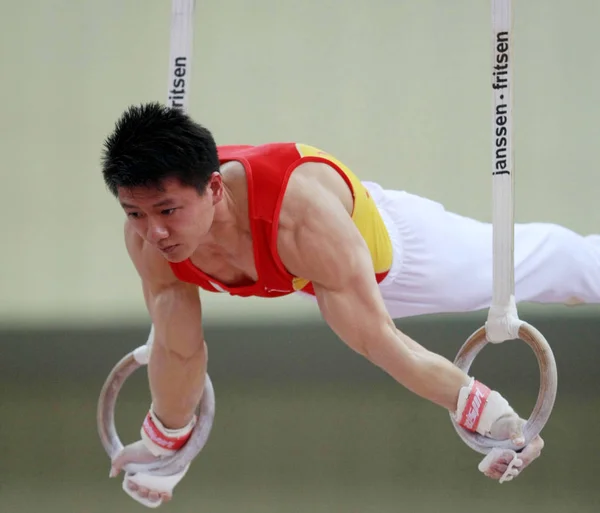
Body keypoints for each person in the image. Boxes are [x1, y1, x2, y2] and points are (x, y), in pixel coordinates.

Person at [101, 102, 600, 507]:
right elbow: (178, 348)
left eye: (167, 211)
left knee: (562, 269)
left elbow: (377, 341)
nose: (154, 232)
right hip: (336, 285)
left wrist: (499, 420)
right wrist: (167, 443)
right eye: (134, 213)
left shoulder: (298, 216)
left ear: (212, 188)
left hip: (407, 258)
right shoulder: (149, 241)